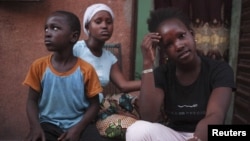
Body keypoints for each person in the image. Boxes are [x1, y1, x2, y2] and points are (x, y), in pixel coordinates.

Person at [126, 7, 236, 141]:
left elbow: (215, 115)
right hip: (175, 135)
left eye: (181, 36)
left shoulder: (219, 70)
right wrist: (147, 63)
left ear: (192, 35)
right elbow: (149, 117)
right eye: (169, 44)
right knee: (137, 130)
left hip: (207, 133)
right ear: (164, 52)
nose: (178, 46)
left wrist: (198, 138)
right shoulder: (162, 73)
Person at [23, 10, 103, 141]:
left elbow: (94, 105)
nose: (47, 33)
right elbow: (31, 100)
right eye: (46, 29)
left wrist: (78, 128)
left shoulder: (86, 70)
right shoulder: (39, 66)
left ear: (73, 36)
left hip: (79, 124)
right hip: (48, 125)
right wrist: (35, 127)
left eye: (54, 28)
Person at [73, 3, 141, 139]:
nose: (104, 26)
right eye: (98, 22)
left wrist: (154, 80)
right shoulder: (76, 49)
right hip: (80, 108)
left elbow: (124, 85)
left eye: (109, 22)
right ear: (87, 27)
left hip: (100, 104)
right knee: (134, 126)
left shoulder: (109, 58)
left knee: (141, 97)